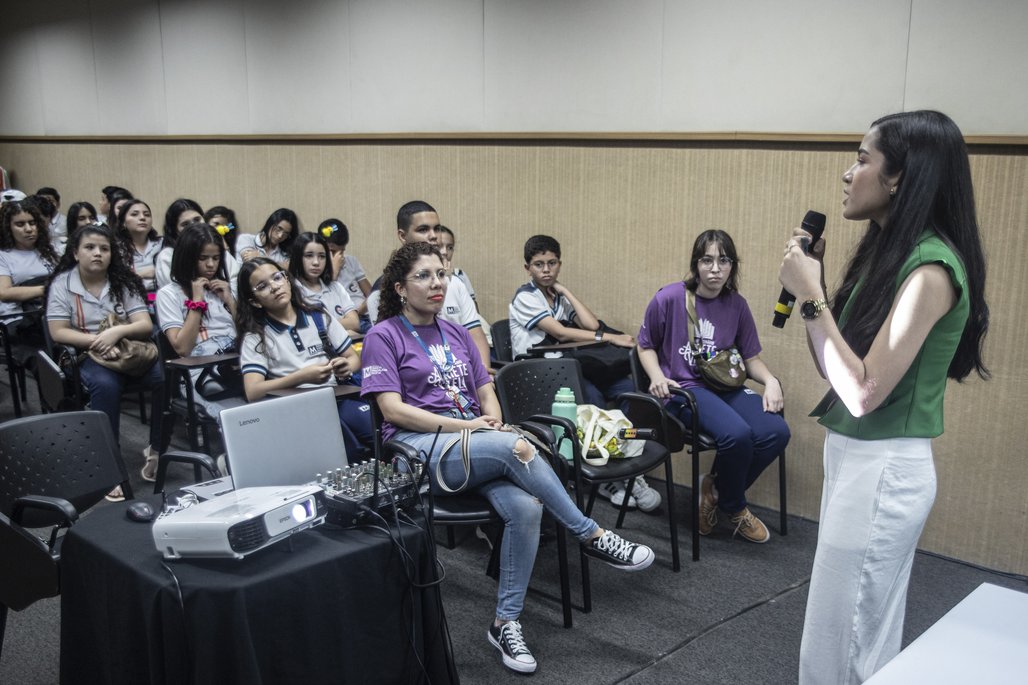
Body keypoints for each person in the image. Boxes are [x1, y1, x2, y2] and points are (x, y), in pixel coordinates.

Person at [360, 241, 655, 675]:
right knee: (516, 446)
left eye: (441, 274)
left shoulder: (456, 332)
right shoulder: (383, 335)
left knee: (525, 506)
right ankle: (591, 536)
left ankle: (505, 623)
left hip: (476, 445)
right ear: (401, 288)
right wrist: (474, 429)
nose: (437, 283)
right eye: (424, 276)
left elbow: (485, 392)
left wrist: (492, 422)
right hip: (420, 449)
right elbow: (392, 410)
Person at [778, 110, 990, 684]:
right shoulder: (887, 255)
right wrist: (810, 297)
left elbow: (864, 393)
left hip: (885, 468)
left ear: (900, 176)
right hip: (854, 458)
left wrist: (814, 295)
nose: (848, 174)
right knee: (856, 630)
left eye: (862, 159)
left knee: (840, 635)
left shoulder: (931, 270)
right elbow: (834, 369)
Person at [637, 229, 790, 542]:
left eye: (723, 260)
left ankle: (715, 489)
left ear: (732, 266)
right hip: (683, 390)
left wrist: (771, 381)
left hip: (725, 385)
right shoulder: (669, 297)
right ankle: (734, 506)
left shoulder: (737, 305)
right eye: (707, 260)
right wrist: (656, 376)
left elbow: (750, 358)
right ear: (696, 264)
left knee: (776, 432)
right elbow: (645, 345)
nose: (715, 269)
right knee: (738, 436)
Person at [509, 234, 658, 511]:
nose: (546, 270)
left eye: (552, 263)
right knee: (593, 403)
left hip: (567, 367)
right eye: (539, 264)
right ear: (527, 267)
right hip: (537, 372)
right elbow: (561, 331)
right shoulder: (525, 297)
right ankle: (607, 479)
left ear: (559, 264)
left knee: (628, 392)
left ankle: (625, 466)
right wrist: (609, 339)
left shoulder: (556, 297)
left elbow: (591, 325)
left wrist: (566, 291)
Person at [45, 223, 164, 492]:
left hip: (128, 349)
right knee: (107, 385)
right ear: (75, 253)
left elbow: (144, 325)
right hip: (86, 353)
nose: (97, 253)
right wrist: (99, 342)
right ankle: (109, 462)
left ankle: (157, 447)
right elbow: (58, 331)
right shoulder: (62, 285)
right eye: (89, 247)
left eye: (104, 248)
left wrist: (117, 334)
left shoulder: (124, 281)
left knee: (162, 376)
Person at [236, 257, 372, 460]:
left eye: (277, 277)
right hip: (294, 409)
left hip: (336, 397)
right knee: (346, 451)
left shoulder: (318, 316)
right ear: (254, 301)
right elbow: (253, 391)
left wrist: (345, 367)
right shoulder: (257, 336)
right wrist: (301, 377)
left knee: (376, 430)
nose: (274, 287)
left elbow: (353, 359)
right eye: (262, 286)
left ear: (287, 280)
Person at [365, 201, 491, 369]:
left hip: (462, 371)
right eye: (423, 229)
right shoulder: (383, 289)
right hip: (417, 376)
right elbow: (386, 350)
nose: (433, 236)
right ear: (402, 236)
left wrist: (484, 375)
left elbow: (475, 334)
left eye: (436, 228)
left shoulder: (453, 282)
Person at [155, 223, 243, 419]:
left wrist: (230, 301)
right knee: (235, 416)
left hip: (236, 366)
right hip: (198, 374)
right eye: (203, 258)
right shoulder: (168, 295)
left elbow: (248, 337)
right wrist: (196, 302)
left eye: (216, 258)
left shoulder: (225, 289)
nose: (211, 265)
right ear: (187, 258)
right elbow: (182, 349)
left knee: (268, 403)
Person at [0, 199, 60, 341]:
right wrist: (46, 290)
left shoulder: (50, 251)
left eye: (32, 223)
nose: (28, 229)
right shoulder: (3, 255)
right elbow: (4, 292)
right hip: (19, 319)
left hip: (53, 312)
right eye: (20, 224)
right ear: (8, 228)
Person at [287, 231, 361, 337]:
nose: (316, 262)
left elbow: (355, 323)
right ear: (298, 258)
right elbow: (306, 332)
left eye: (322, 256)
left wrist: (321, 325)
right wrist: (344, 330)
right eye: (309, 256)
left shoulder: (336, 287)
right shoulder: (292, 292)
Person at [319, 218, 373, 333]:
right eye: (333, 251)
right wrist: (334, 269)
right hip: (348, 318)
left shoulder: (351, 261)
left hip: (366, 313)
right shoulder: (317, 269)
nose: (339, 257)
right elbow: (327, 296)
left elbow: (370, 293)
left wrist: (364, 307)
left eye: (342, 251)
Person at [114, 199, 162, 294]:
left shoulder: (162, 244)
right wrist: (145, 273)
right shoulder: (116, 249)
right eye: (134, 214)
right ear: (123, 222)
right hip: (131, 298)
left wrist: (134, 275)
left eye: (147, 215)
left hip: (163, 296)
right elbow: (118, 279)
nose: (142, 218)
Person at [155, 198, 204, 289]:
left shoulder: (215, 247)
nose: (194, 226)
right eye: (185, 224)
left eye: (197, 220)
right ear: (175, 230)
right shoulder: (167, 256)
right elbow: (172, 293)